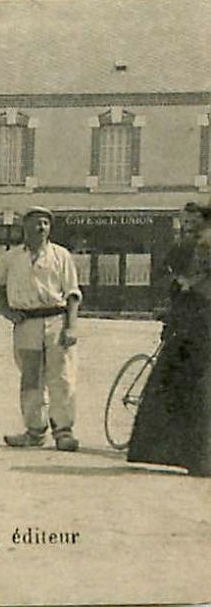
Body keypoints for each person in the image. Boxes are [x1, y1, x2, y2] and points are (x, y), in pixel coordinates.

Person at [0, 206, 82, 451]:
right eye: (37, 223)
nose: (42, 228)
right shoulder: (12, 257)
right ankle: (34, 431)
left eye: (46, 223)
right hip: (26, 323)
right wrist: (5, 310)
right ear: (24, 227)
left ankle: (63, 431)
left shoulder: (61, 255)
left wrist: (72, 327)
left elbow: (72, 294)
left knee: (62, 377)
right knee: (31, 379)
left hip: (56, 321)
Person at [127, 204, 211, 477]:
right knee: (188, 387)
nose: (189, 225)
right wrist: (182, 284)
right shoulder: (187, 246)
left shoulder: (200, 244)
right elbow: (165, 276)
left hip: (196, 322)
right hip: (190, 325)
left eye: (194, 220)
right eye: (185, 220)